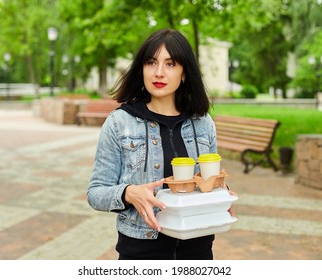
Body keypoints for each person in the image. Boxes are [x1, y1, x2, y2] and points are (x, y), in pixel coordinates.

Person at [87, 28, 233, 260]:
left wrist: (219, 193)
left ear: (184, 72)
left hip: (197, 249)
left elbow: (208, 179)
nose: (159, 73)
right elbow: (96, 193)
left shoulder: (203, 123)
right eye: (152, 63)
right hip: (142, 250)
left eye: (171, 64)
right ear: (141, 69)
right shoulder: (119, 122)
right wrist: (128, 192)